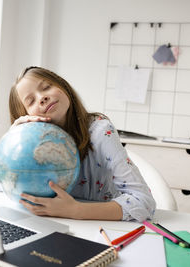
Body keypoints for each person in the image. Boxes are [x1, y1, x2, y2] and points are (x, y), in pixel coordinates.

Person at [8, 66, 156, 222]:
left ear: (63, 86)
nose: (42, 97)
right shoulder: (32, 147)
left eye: (46, 87)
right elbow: (1, 184)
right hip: (54, 224)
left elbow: (145, 203)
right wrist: (13, 139)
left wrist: (75, 210)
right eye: (31, 101)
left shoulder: (100, 131)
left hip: (101, 226)